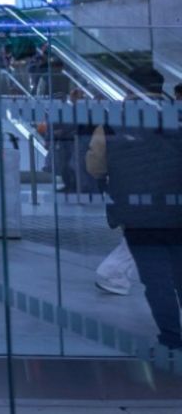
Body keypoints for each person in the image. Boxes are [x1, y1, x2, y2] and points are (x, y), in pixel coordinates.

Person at [86, 121, 182, 350]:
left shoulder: (110, 126)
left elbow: (95, 167)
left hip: (138, 214)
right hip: (177, 209)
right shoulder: (176, 118)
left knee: (156, 280)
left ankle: (172, 338)